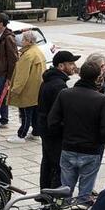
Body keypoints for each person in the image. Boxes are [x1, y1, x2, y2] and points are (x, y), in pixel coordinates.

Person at [48, 60, 105, 198]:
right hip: (91, 150)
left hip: (68, 147)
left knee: (65, 188)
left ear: (79, 74)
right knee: (85, 192)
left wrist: (64, 135)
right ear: (97, 77)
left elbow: (52, 122)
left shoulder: (65, 94)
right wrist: (97, 142)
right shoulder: (101, 99)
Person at [36, 51, 79, 189]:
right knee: (56, 165)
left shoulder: (50, 81)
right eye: (71, 63)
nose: (74, 66)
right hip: (54, 132)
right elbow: (59, 112)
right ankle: (52, 196)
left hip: (45, 128)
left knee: (48, 162)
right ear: (61, 66)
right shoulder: (59, 85)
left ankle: (44, 195)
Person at [7, 30, 44, 143]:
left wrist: (15, 90)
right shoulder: (37, 51)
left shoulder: (27, 55)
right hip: (36, 87)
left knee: (25, 113)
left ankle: (21, 135)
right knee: (34, 112)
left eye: (23, 39)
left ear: (28, 41)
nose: (21, 41)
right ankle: (36, 132)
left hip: (27, 89)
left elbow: (22, 75)